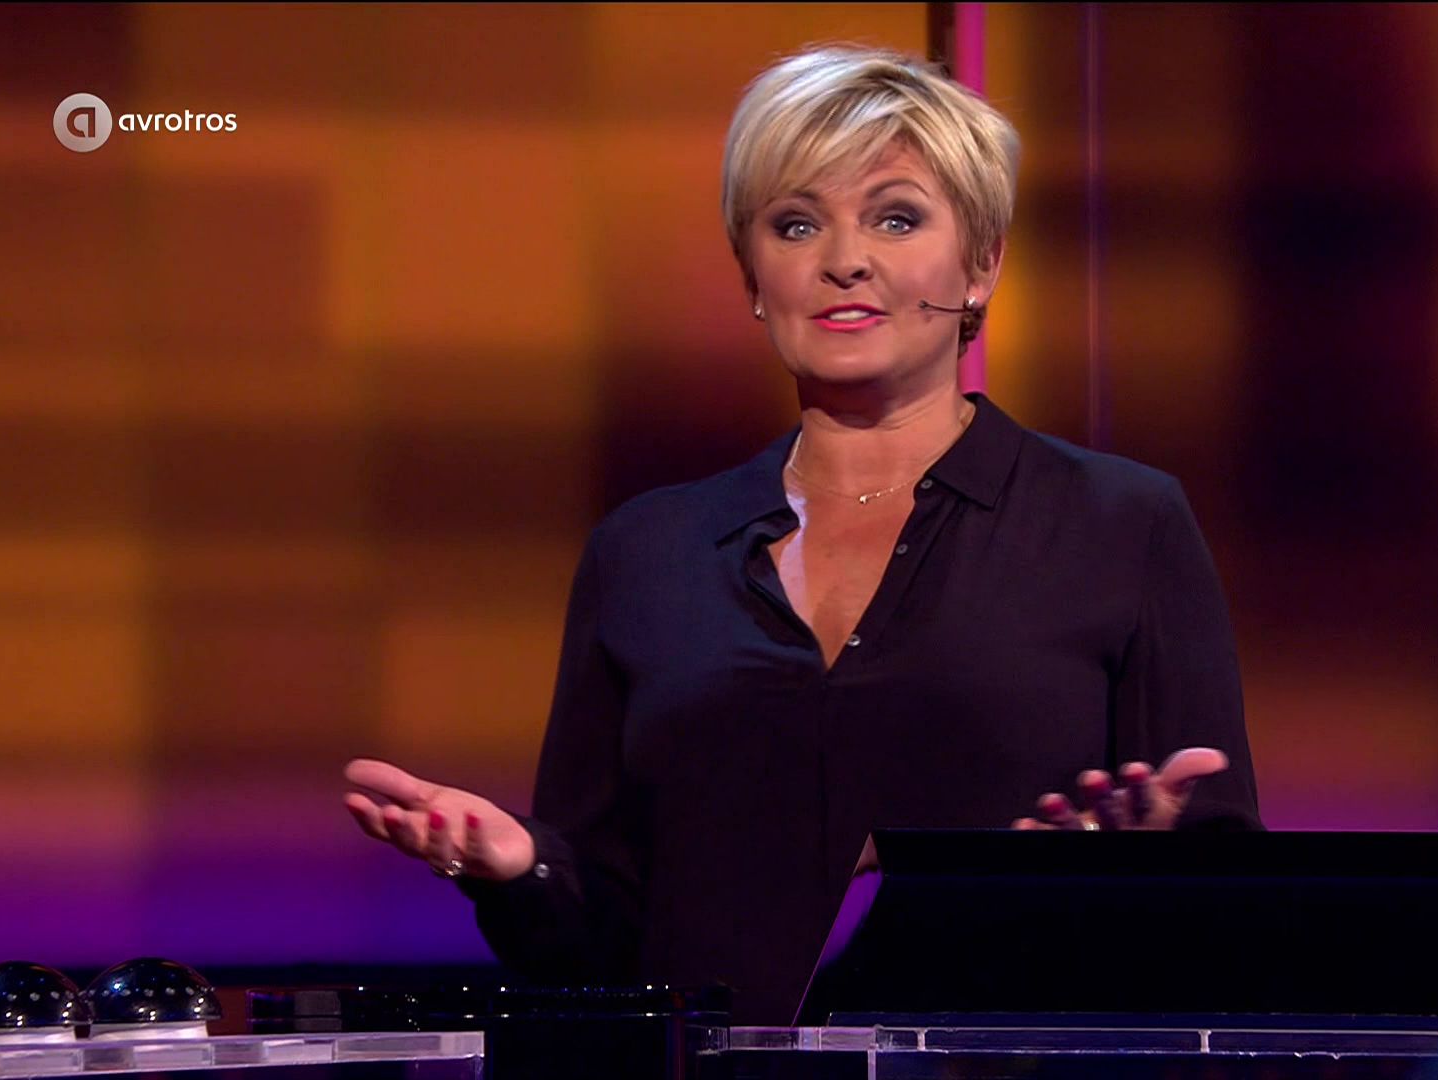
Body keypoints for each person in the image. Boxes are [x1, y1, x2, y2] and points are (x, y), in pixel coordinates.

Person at [343, 42, 1260, 1024]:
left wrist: (1138, 871)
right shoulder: (646, 552)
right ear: (752, 274)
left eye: (896, 218)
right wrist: (518, 867)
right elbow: (602, 944)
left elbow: (1233, 917)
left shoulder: (1121, 522)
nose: (844, 260)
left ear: (982, 264)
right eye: (795, 223)